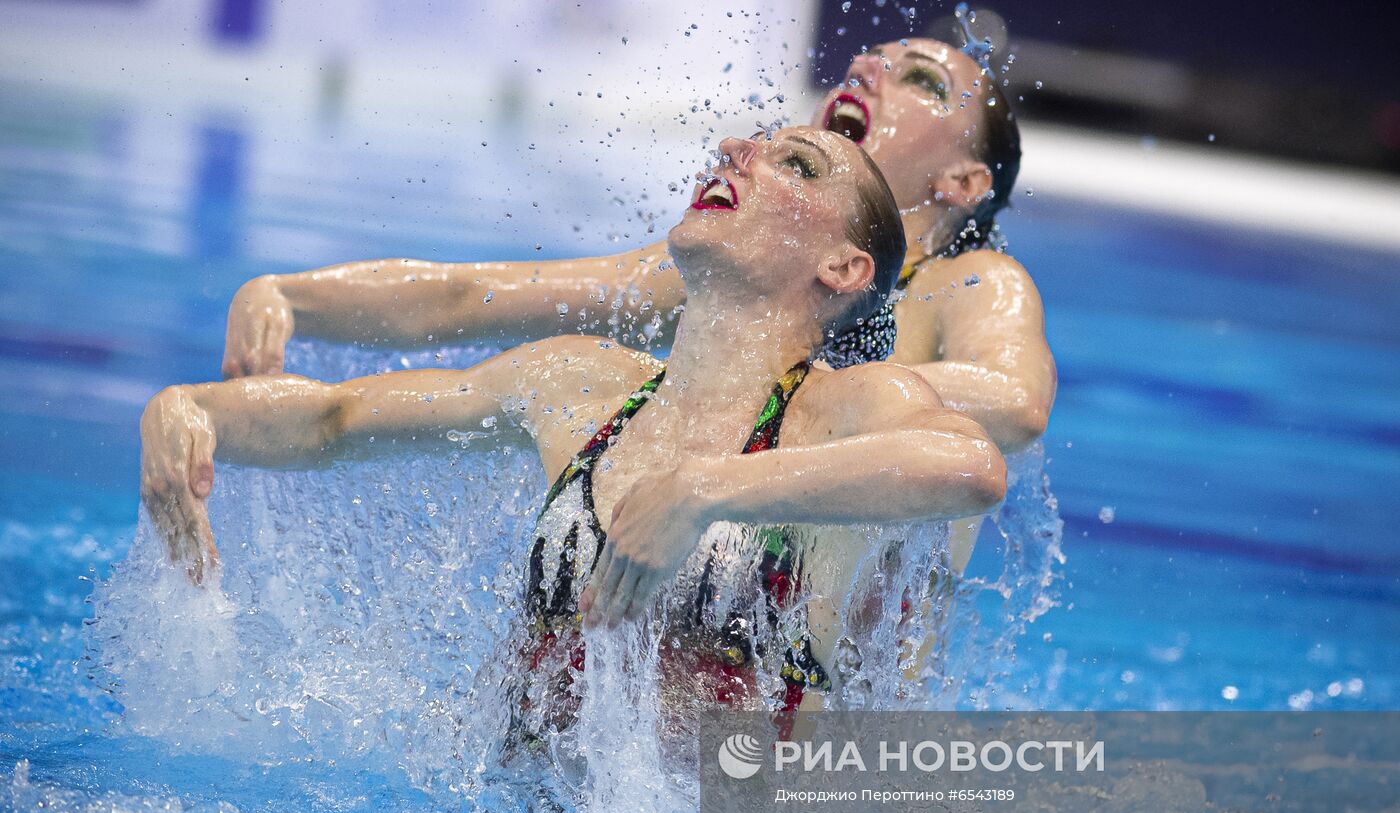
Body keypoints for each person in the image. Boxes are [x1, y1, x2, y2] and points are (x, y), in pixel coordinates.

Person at [141, 129, 1006, 733]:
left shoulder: (848, 410)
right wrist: (183, 412)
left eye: (795, 163)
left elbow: (970, 465)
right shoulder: (582, 383)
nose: (736, 150)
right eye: (749, 142)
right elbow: (335, 416)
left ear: (844, 268)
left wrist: (705, 490)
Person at [220, 38, 1055, 468]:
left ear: (962, 181)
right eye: (874, 59)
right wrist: (292, 297)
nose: (869, 69)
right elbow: (473, 295)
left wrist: (792, 387)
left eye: (921, 83)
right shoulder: (745, 276)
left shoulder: (970, 282)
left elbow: (1015, 404)